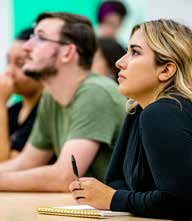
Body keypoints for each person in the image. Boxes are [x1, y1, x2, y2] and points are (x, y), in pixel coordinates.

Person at [69, 19, 192, 221]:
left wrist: (111, 198)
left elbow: (177, 203)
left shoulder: (164, 112)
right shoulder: (139, 109)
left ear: (166, 70)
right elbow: (115, 182)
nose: (120, 62)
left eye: (135, 52)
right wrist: (106, 195)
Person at [0, 12, 126, 192]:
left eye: (40, 38)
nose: (27, 46)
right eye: (31, 37)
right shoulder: (51, 96)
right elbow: (27, 162)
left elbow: (64, 177)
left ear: (68, 52)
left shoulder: (95, 92)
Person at [0, 28, 43, 161]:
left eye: (20, 64)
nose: (9, 71)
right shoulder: (13, 111)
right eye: (8, 62)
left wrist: (0, 102)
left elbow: (6, 165)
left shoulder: (44, 111)